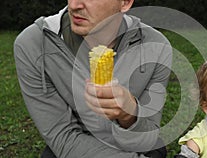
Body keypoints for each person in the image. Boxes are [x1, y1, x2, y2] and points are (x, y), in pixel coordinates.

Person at [14, 0, 172, 157]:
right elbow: (62, 136)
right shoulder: (33, 44)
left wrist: (129, 114)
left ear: (125, 3)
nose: (74, 6)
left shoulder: (156, 46)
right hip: (78, 149)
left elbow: (147, 136)